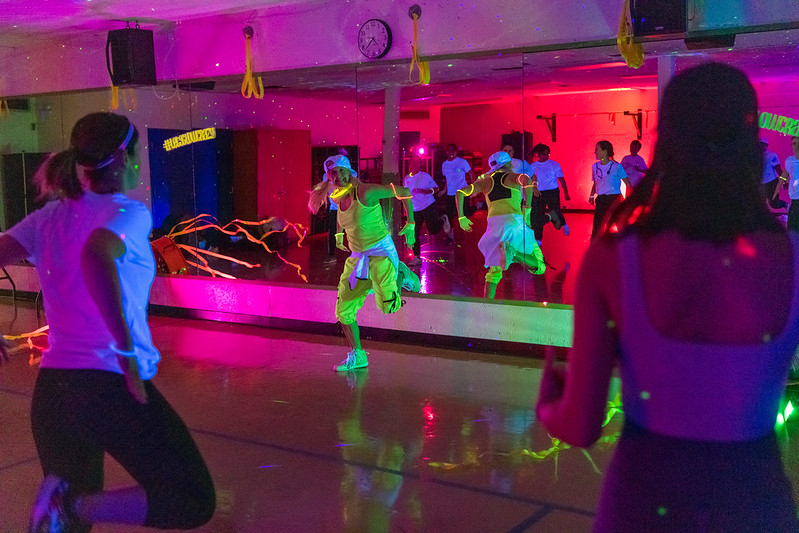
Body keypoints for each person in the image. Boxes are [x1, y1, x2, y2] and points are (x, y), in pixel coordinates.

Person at [536, 63, 799, 531]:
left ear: (667, 143)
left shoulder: (611, 259)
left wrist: (548, 403)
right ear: (750, 145)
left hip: (644, 505)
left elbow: (580, 426)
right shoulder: (792, 258)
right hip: (756, 506)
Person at [0, 113, 215, 530]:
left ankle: (66, 507)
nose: (138, 162)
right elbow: (97, 254)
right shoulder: (128, 212)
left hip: (55, 394)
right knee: (191, 498)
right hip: (108, 386)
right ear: (121, 158)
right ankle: (71, 506)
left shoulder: (48, 218)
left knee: (65, 527)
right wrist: (128, 355)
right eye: (136, 153)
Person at [309, 155, 420, 371]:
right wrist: (339, 235)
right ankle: (358, 355)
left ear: (349, 172)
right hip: (359, 256)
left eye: (342, 171)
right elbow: (342, 217)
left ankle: (401, 273)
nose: (338, 177)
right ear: (329, 177)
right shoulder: (338, 196)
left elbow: (404, 192)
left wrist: (411, 223)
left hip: (381, 253)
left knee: (389, 308)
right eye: (333, 173)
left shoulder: (365, 192)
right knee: (344, 311)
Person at [456, 151, 545, 299]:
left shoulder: (484, 182)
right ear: (509, 163)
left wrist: (461, 217)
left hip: (494, 227)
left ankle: (487, 305)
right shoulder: (513, 176)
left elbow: (459, 192)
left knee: (494, 272)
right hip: (514, 222)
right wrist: (527, 210)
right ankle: (513, 253)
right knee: (539, 266)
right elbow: (527, 180)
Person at [403, 154, 451, 266]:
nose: (414, 164)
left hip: (428, 205)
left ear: (420, 164)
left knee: (433, 230)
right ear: (410, 163)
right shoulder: (406, 178)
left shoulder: (425, 176)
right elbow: (405, 194)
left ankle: (443, 219)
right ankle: (417, 257)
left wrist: (427, 191)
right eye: (413, 161)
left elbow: (436, 189)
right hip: (415, 209)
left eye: (417, 162)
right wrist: (407, 209)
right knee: (414, 233)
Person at [588, 140, 631, 240]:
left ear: (605, 151)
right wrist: (591, 195)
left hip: (615, 199)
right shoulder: (595, 166)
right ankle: (595, 246)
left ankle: (625, 245)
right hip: (601, 200)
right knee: (597, 227)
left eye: (597, 150)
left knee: (620, 225)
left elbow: (628, 184)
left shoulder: (617, 167)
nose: (595, 152)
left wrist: (628, 200)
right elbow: (595, 183)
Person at [529, 143, 571, 240]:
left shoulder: (554, 164)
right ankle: (538, 239)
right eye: (544, 154)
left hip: (552, 191)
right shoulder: (533, 166)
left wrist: (566, 193)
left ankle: (564, 224)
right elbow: (530, 181)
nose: (546, 156)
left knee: (556, 209)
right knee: (538, 215)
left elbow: (561, 179)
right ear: (539, 154)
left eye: (548, 154)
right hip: (539, 193)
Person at [439, 144, 474, 244]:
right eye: (448, 151)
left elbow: (471, 173)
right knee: (450, 216)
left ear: (456, 152)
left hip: (462, 192)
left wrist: (473, 188)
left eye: (452, 151)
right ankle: (450, 237)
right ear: (446, 152)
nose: (450, 153)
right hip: (450, 193)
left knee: (463, 214)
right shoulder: (444, 164)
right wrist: (444, 190)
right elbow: (448, 179)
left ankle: (464, 237)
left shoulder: (462, 162)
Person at [762, 138, 787, 210]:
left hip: (771, 182)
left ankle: (786, 205)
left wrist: (784, 181)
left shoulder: (771, 155)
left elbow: (778, 169)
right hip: (761, 183)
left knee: (774, 203)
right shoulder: (755, 156)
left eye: (762, 144)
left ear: (766, 146)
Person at [781, 135, 799, 231]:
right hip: (795, 200)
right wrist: (784, 181)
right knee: (793, 227)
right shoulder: (791, 160)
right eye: (793, 143)